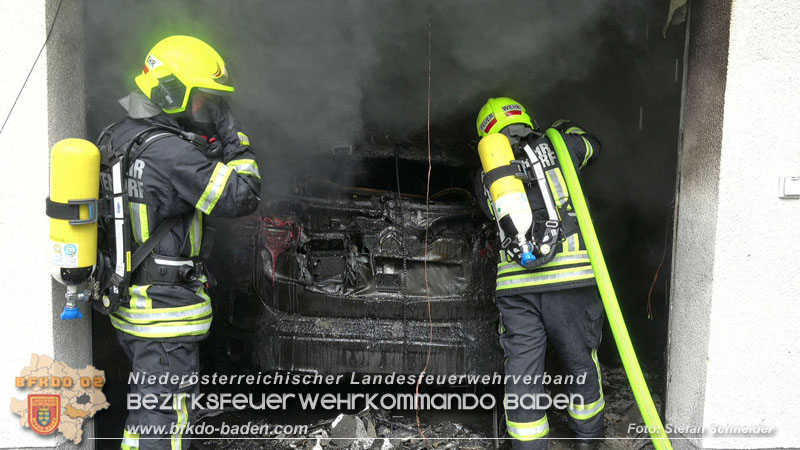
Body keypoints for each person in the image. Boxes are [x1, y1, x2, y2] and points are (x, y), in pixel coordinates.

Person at [96, 35, 261, 450]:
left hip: (135, 304)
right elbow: (243, 193)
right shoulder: (172, 155)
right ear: (170, 92)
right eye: (203, 100)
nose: (208, 111)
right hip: (165, 315)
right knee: (165, 424)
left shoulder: (119, 136)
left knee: (147, 416)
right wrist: (235, 138)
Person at [474, 97, 603, 450]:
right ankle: (588, 442)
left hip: (516, 290)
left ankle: (528, 446)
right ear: (524, 117)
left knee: (522, 373)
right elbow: (594, 146)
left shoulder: (486, 174)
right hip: (570, 281)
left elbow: (492, 213)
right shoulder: (561, 146)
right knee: (580, 363)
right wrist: (567, 130)